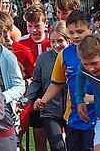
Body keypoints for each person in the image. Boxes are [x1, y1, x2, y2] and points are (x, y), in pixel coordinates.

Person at [36, 11, 97, 151]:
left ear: (90, 29)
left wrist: (95, 98)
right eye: (71, 32)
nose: (75, 36)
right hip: (74, 116)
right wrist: (43, 100)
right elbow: (57, 83)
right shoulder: (65, 54)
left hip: (98, 117)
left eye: (80, 31)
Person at [24, 22, 70, 151]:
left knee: (73, 145)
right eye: (52, 41)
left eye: (60, 41)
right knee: (58, 146)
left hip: (71, 109)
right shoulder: (43, 58)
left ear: (68, 39)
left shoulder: (75, 57)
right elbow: (36, 81)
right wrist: (28, 98)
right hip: (50, 110)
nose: (56, 45)